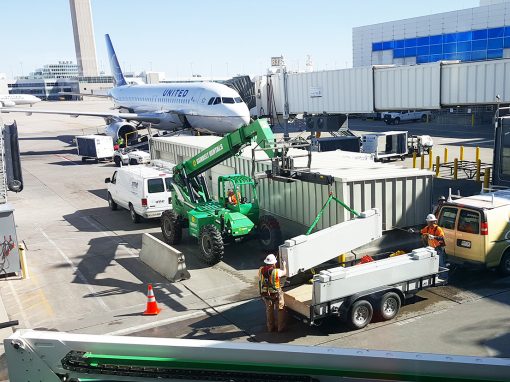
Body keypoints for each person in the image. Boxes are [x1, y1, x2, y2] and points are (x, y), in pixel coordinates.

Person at [258, 254, 287, 332]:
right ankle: (280, 328)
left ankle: (270, 327)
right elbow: (284, 272)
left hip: (266, 294)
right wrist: (284, 265)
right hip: (276, 294)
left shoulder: (261, 270)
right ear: (274, 263)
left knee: (269, 310)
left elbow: (264, 276)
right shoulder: (276, 271)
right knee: (280, 309)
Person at [420, 213, 448, 282]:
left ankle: (444, 278)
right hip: (431, 248)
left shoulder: (438, 229)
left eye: (430, 221)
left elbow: (441, 238)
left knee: (441, 263)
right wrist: (413, 231)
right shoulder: (427, 228)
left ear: (433, 222)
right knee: (433, 262)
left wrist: (434, 237)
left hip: (438, 248)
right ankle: (436, 276)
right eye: (428, 222)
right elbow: (420, 232)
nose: (428, 223)